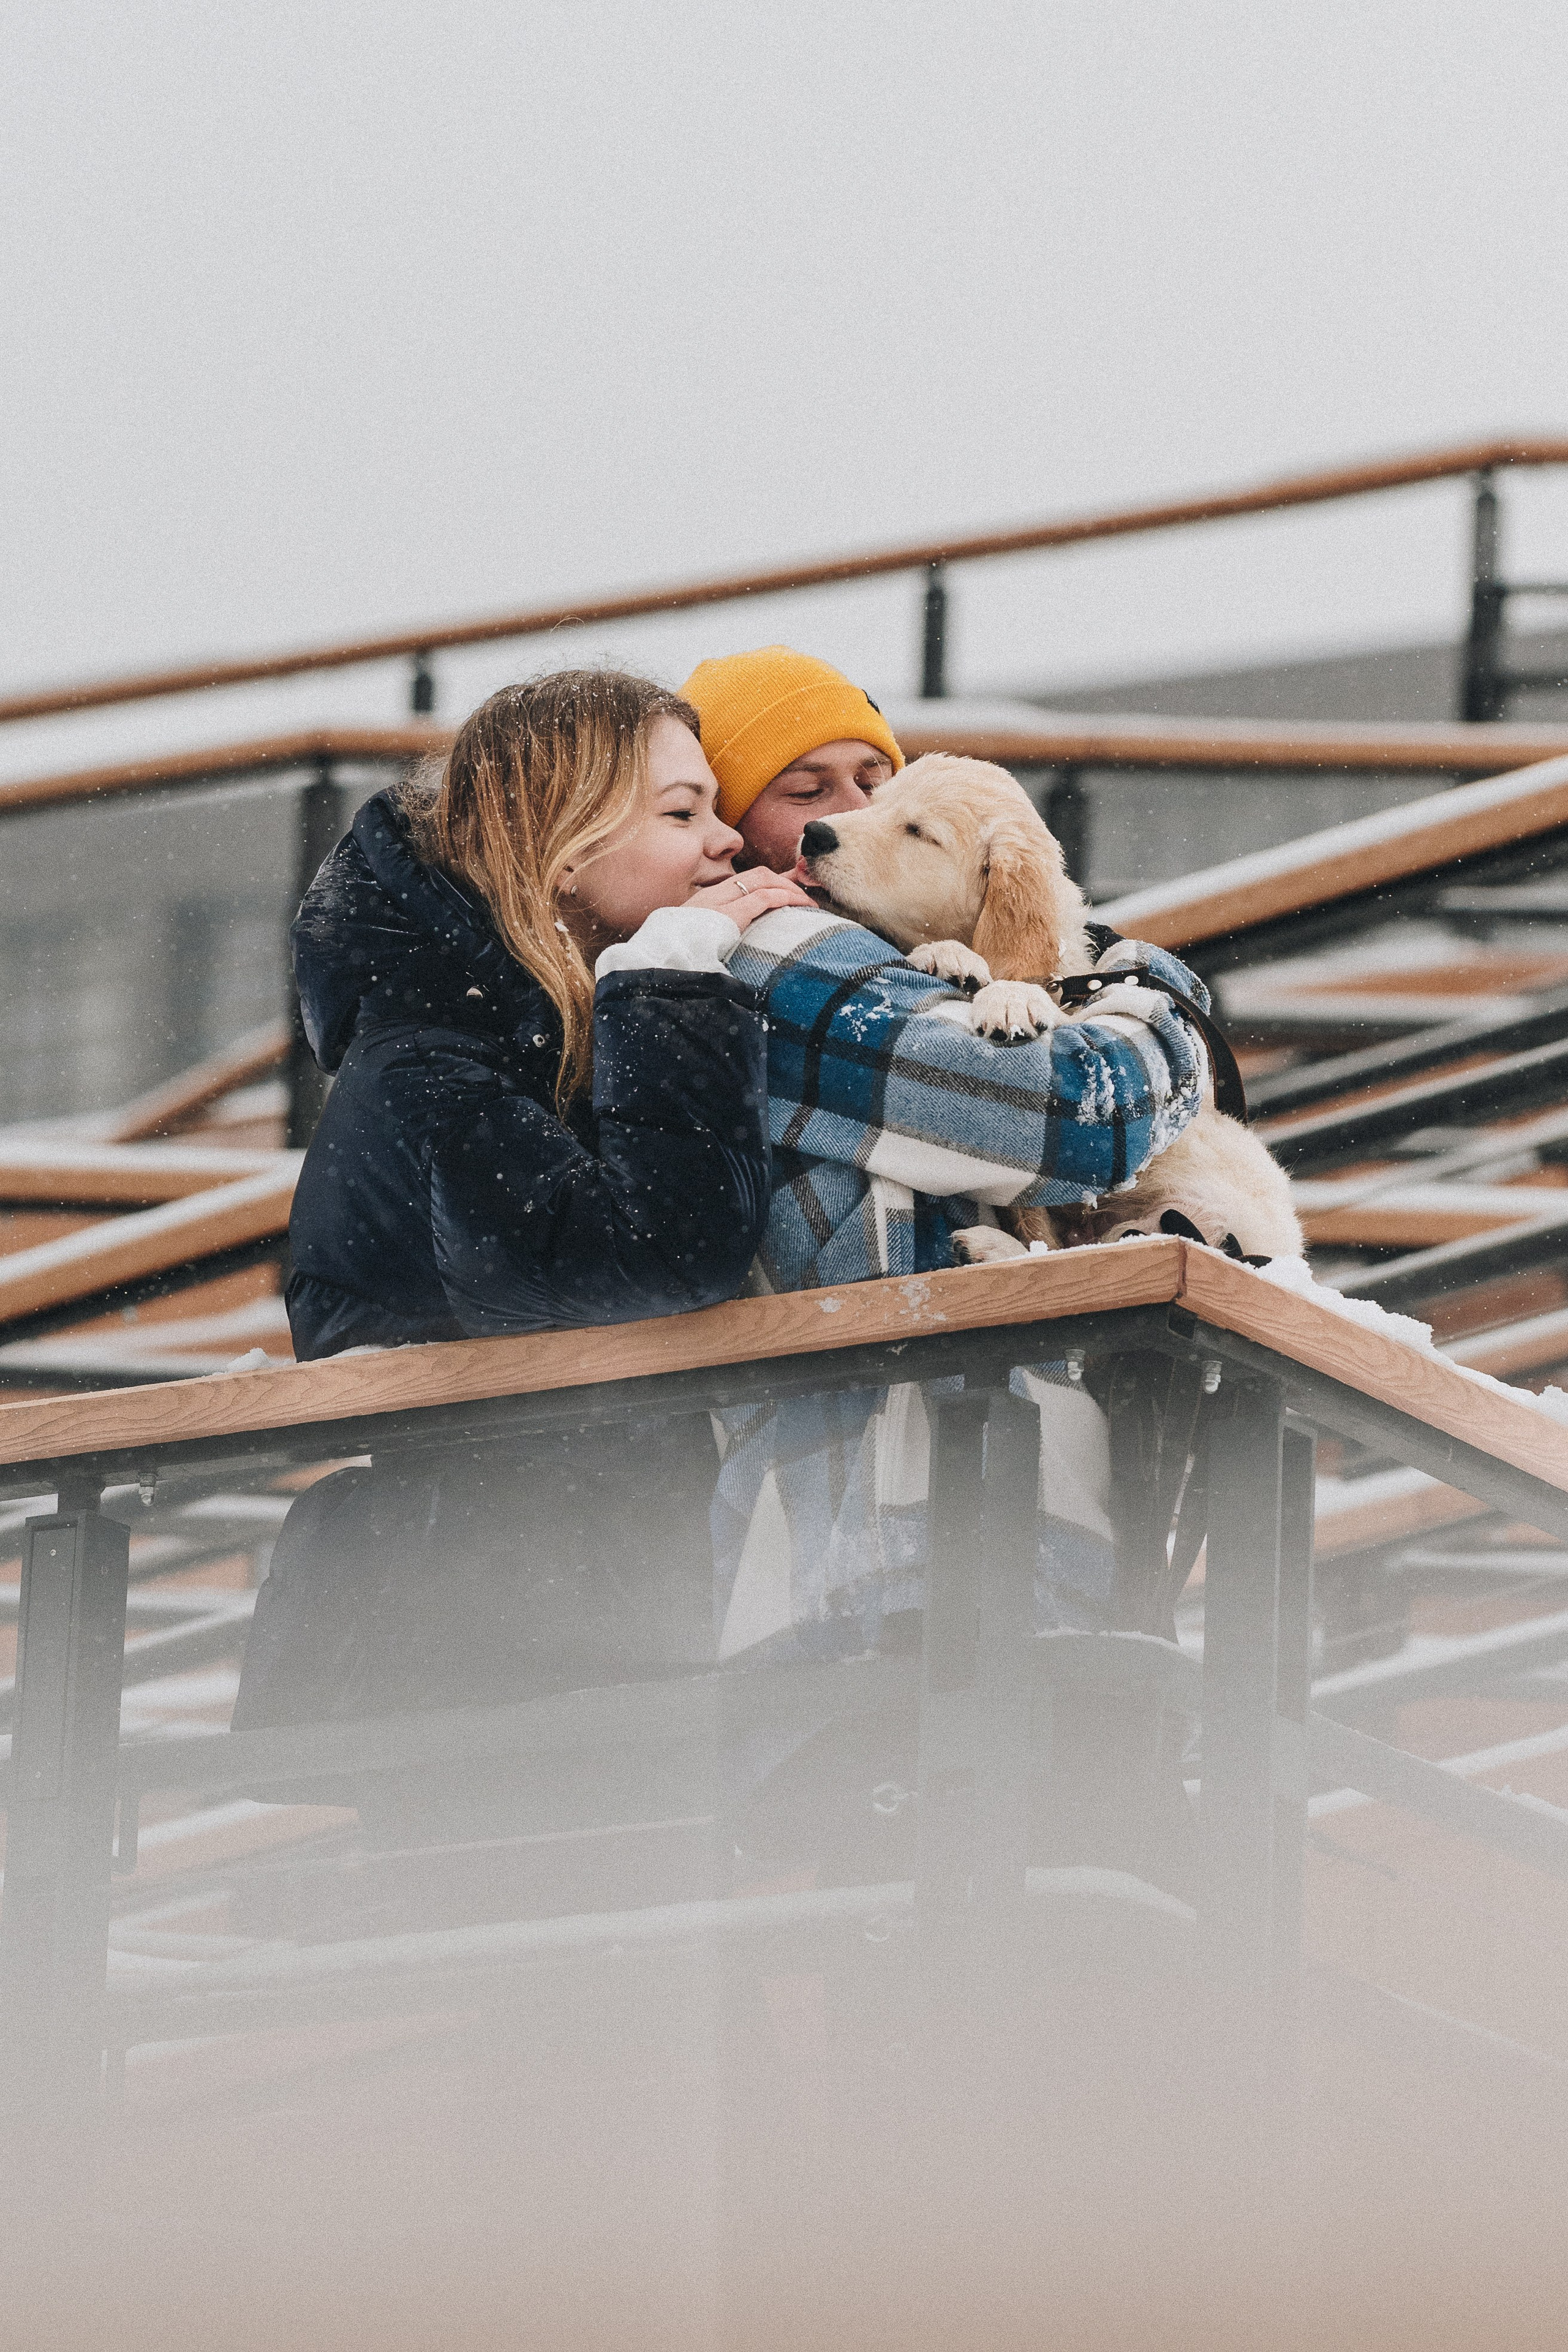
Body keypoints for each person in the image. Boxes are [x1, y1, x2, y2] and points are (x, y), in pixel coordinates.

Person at [236, 669, 810, 1735]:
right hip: (484, 1661)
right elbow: (646, 1265)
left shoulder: (565, 1029)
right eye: (682, 813)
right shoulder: (430, 1053)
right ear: (555, 840)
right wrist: (674, 980)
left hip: (590, 1627)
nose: (727, 841)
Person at [676, 645, 1213, 1660]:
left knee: (1063, 1795)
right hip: (892, 1545)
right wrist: (1161, 992)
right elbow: (1074, 1119)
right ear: (728, 826)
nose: (849, 817)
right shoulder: (775, 958)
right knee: (952, 1796)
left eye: (880, 784)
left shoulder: (883, 965)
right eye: (805, 791)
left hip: (988, 1518)